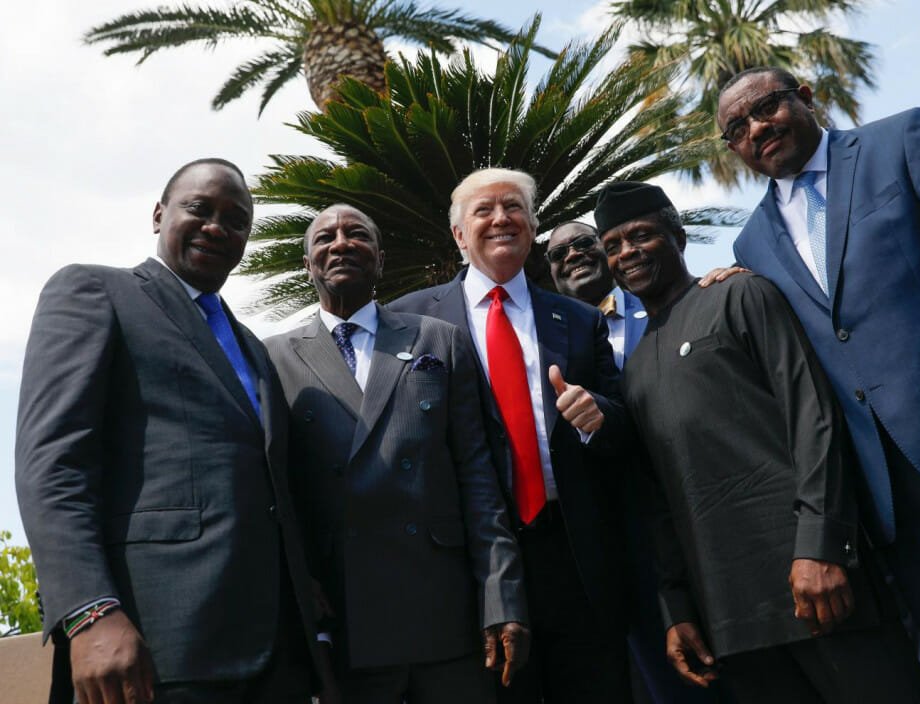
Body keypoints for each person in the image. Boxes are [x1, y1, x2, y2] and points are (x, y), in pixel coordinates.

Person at [717, 66, 920, 702]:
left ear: (804, 96)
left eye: (766, 107)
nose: (756, 128)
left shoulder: (902, 139)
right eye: (737, 129)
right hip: (895, 505)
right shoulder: (751, 245)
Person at [595, 181, 920, 703]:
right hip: (730, 616)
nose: (626, 254)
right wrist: (677, 608)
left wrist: (821, 547)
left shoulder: (740, 295)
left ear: (677, 235)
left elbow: (813, 418)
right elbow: (658, 499)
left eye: (640, 235)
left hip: (817, 587)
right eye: (612, 246)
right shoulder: (634, 369)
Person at [15, 159, 326, 704]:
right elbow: (52, 464)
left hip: (278, 657)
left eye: (236, 220)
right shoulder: (95, 292)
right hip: (154, 649)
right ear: (159, 214)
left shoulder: (254, 347)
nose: (216, 227)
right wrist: (89, 612)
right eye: (199, 209)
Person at [265, 204, 530, 703]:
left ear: (380, 260)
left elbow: (477, 477)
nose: (340, 243)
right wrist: (301, 593)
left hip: (444, 608)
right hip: (345, 617)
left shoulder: (438, 339)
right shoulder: (274, 357)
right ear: (308, 265)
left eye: (356, 234)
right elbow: (277, 490)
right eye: (324, 238)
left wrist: (502, 597)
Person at [390, 168, 633, 703]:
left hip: (574, 556)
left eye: (514, 208)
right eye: (484, 210)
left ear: (532, 226)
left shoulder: (575, 319)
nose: (501, 218)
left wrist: (599, 417)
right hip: (467, 566)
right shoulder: (407, 321)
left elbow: (624, 423)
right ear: (459, 234)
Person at [546, 222, 707, 704]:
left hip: (702, 511)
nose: (572, 255)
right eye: (557, 253)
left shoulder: (671, 306)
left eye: (583, 243)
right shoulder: (552, 343)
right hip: (630, 541)